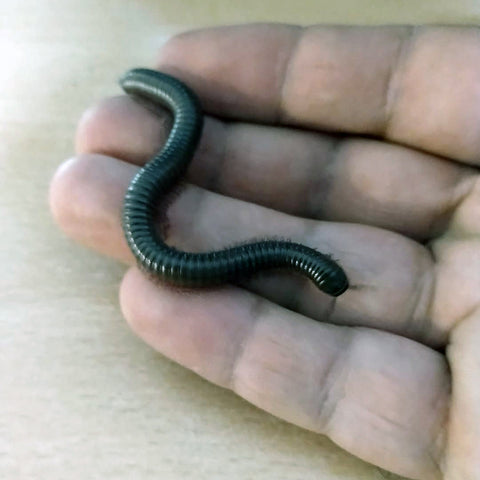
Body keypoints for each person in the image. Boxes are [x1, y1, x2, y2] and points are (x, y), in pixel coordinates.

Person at [49, 24, 480, 480]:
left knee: (184, 222)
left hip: (183, 221)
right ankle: (152, 88)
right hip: (165, 216)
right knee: (156, 205)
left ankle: (151, 88)